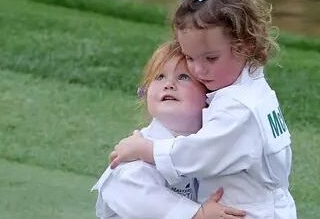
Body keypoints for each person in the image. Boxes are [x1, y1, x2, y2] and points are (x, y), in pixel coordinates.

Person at [109, 0, 297, 218]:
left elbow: (198, 154)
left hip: (243, 211)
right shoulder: (254, 90)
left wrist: (145, 149)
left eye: (210, 58)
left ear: (245, 45)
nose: (198, 70)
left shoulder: (239, 107)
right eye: (189, 57)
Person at [94, 41, 246, 219]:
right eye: (159, 77)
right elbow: (135, 195)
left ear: (209, 96)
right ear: (145, 92)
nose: (169, 84)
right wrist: (197, 214)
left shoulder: (208, 143)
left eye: (183, 77)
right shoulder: (134, 154)